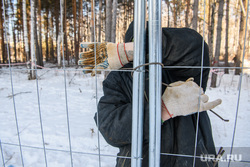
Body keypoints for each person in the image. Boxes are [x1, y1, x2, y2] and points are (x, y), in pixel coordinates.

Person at [79, 22, 222, 167]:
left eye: (145, 44)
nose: (142, 53)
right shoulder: (120, 77)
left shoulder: (180, 68)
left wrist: (137, 49)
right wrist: (161, 110)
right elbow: (110, 128)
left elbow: (196, 48)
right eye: (135, 44)